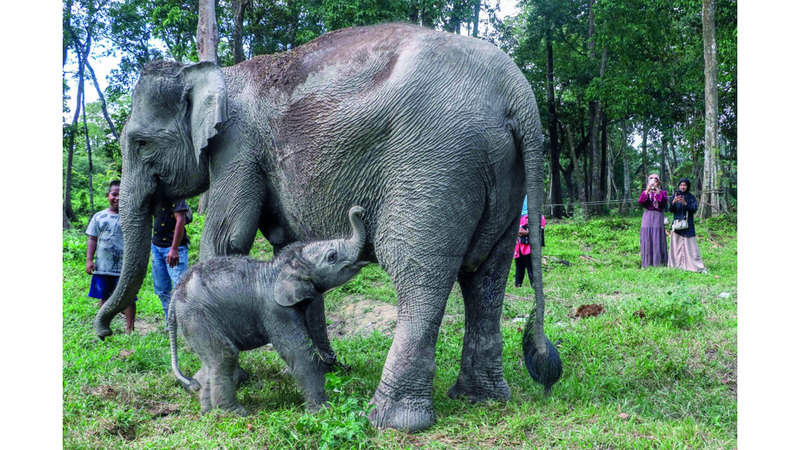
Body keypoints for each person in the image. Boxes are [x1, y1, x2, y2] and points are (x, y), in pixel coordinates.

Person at [86, 180, 136, 333]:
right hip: (103, 266)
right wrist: (89, 260)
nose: (118, 198)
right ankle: (103, 324)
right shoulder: (99, 217)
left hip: (124, 267)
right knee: (104, 297)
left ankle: (130, 328)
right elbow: (92, 239)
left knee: (128, 297)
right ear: (108, 195)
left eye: (122, 195)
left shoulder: (131, 217)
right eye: (114, 194)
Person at [152, 199, 190, 331]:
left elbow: (181, 220)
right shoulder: (156, 196)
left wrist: (174, 249)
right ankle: (171, 323)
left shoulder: (176, 196)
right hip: (157, 247)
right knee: (162, 288)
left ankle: (184, 324)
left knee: (179, 287)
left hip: (175, 248)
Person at [668, 178, 707, 273]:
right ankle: (677, 265)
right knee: (676, 246)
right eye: (681, 185)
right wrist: (673, 202)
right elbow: (671, 210)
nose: (682, 187)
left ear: (688, 186)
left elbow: (694, 209)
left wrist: (685, 203)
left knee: (691, 246)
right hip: (677, 225)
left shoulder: (691, 197)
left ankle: (693, 265)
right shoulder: (675, 196)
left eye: (684, 185)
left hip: (688, 225)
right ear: (678, 186)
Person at [513, 197, 546, 288]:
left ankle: (534, 286)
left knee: (530, 266)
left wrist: (526, 232)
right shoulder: (518, 217)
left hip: (529, 247)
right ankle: (517, 286)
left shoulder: (537, 216)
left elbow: (540, 230)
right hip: (518, 246)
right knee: (519, 266)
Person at [638, 173, 669, 268]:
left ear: (658, 182)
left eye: (655, 179)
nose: (653, 181)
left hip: (658, 215)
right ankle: (647, 262)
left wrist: (657, 191)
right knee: (647, 236)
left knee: (657, 236)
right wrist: (647, 190)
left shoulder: (662, 193)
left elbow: (662, 203)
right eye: (651, 179)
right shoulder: (646, 192)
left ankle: (659, 261)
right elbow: (641, 202)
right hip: (647, 215)